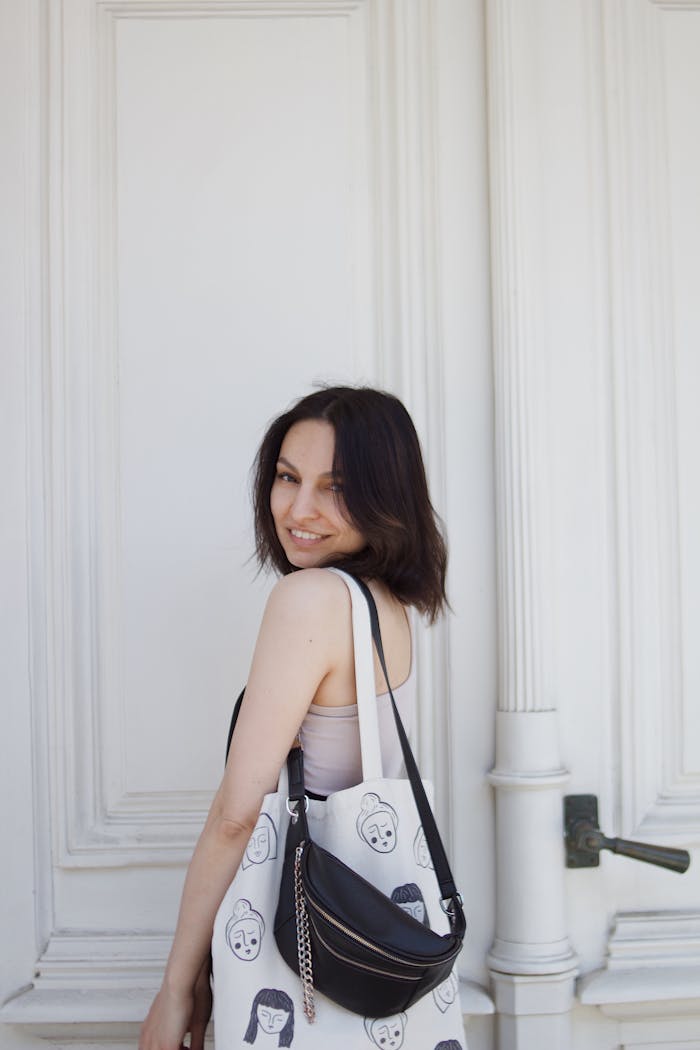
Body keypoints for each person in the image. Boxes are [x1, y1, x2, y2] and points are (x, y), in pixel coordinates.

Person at [139, 385, 449, 1050]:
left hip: (299, 969)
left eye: (335, 488)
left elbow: (237, 815)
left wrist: (177, 987)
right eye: (287, 477)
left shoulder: (308, 599)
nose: (298, 510)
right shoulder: (382, 605)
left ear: (384, 497)